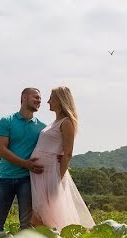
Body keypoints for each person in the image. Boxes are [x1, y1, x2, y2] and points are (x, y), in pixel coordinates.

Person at [29, 86, 94, 229]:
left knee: (41, 217)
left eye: (51, 98)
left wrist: (58, 178)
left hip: (51, 175)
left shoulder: (66, 122)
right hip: (41, 175)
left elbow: (68, 152)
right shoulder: (54, 123)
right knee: (41, 216)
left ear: (60, 100)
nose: (48, 101)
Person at [0, 88, 46, 232]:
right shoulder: (6, 121)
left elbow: (51, 149)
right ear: (24, 97)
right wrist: (26, 164)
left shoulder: (42, 128)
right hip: (5, 178)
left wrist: (60, 155)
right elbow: (1, 150)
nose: (39, 101)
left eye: (40, 98)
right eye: (36, 97)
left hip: (27, 180)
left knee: (26, 227)